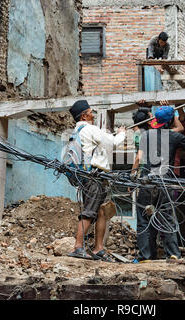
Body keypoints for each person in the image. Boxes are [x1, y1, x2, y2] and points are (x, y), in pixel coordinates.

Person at [131, 106, 185, 261]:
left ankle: (145, 256)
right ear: (170, 120)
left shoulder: (146, 135)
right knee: (166, 219)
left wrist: (132, 177)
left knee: (144, 220)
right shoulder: (173, 137)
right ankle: (172, 254)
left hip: (146, 183)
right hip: (165, 183)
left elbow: (138, 159)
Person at [67, 100, 126, 261]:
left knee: (101, 212)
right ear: (85, 115)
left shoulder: (78, 131)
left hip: (89, 176)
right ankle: (78, 247)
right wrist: (122, 133)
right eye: (91, 112)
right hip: (94, 177)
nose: (93, 114)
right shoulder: (90, 128)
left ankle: (99, 248)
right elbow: (113, 143)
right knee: (90, 212)